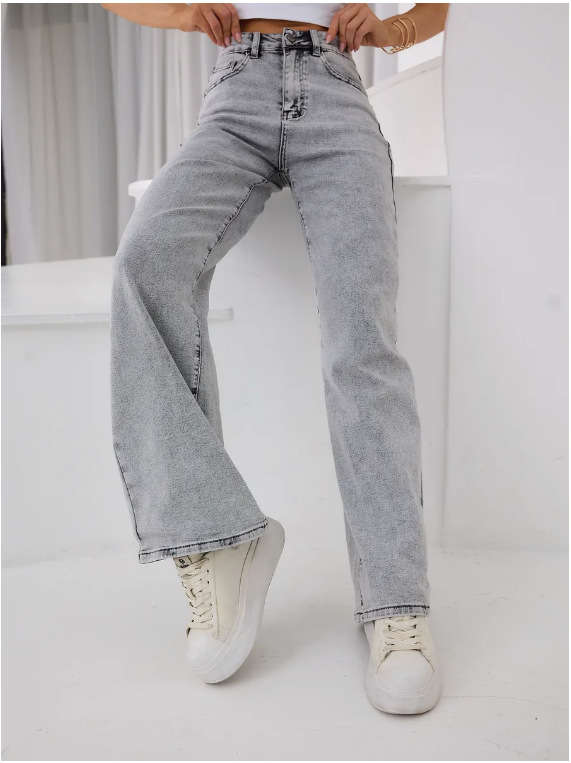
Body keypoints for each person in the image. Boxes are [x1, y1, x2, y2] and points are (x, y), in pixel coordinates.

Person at [102, 2, 449, 715]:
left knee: (361, 341)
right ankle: (219, 538)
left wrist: (394, 30)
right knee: (144, 262)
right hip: (237, 91)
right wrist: (180, 12)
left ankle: (396, 603)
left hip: (336, 91)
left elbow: (440, 5)